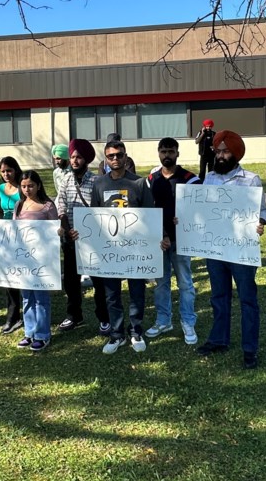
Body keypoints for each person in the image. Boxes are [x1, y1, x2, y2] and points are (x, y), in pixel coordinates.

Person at [195, 131, 266, 369]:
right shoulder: (210, 179)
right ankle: (219, 339)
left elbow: (263, 211)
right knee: (218, 295)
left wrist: (261, 222)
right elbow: (202, 211)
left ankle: (250, 348)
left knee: (247, 298)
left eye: (225, 151)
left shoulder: (251, 179)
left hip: (241, 250)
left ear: (236, 153)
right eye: (217, 151)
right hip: (215, 248)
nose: (220, 155)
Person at [86, 139, 155, 355]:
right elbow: (93, 217)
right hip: (109, 250)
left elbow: (150, 216)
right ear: (105, 159)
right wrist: (84, 233)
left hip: (134, 249)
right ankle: (116, 334)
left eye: (119, 155)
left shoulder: (139, 183)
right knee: (111, 294)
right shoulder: (99, 184)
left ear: (126, 156)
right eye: (110, 156)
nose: (115, 159)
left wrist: (158, 238)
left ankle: (135, 330)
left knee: (137, 292)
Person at [145, 138, 200, 345]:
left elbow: (201, 211)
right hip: (159, 241)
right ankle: (163, 320)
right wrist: (161, 233)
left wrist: (186, 218)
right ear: (158, 153)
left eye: (171, 151)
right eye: (163, 151)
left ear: (178, 153)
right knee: (161, 284)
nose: (167, 155)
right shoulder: (151, 179)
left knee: (185, 283)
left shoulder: (191, 179)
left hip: (182, 240)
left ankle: (188, 321)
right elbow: (147, 210)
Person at [55, 138, 108, 332]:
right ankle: (74, 315)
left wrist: (86, 231)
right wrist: (65, 226)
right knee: (71, 280)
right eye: (72, 157)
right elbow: (60, 203)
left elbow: (101, 210)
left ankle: (104, 317)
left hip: (92, 241)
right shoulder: (65, 180)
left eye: (78, 157)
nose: (74, 160)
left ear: (86, 159)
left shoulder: (97, 181)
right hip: (69, 239)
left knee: (98, 281)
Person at [13, 170, 60, 352]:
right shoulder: (19, 205)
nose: (27, 189)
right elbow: (13, 230)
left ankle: (42, 334)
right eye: (23, 186)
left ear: (38, 186)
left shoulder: (47, 206)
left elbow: (55, 230)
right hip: (23, 260)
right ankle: (29, 331)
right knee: (27, 297)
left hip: (42, 261)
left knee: (41, 298)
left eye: (31, 186)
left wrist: (59, 233)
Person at [0, 156, 24, 333]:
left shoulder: (24, 186)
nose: (6, 174)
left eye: (9, 170)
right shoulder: (0, 188)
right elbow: (0, 211)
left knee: (23, 276)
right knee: (9, 278)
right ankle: (12, 315)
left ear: (16, 170)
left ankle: (26, 313)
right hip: (5, 235)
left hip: (21, 234)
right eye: (3, 171)